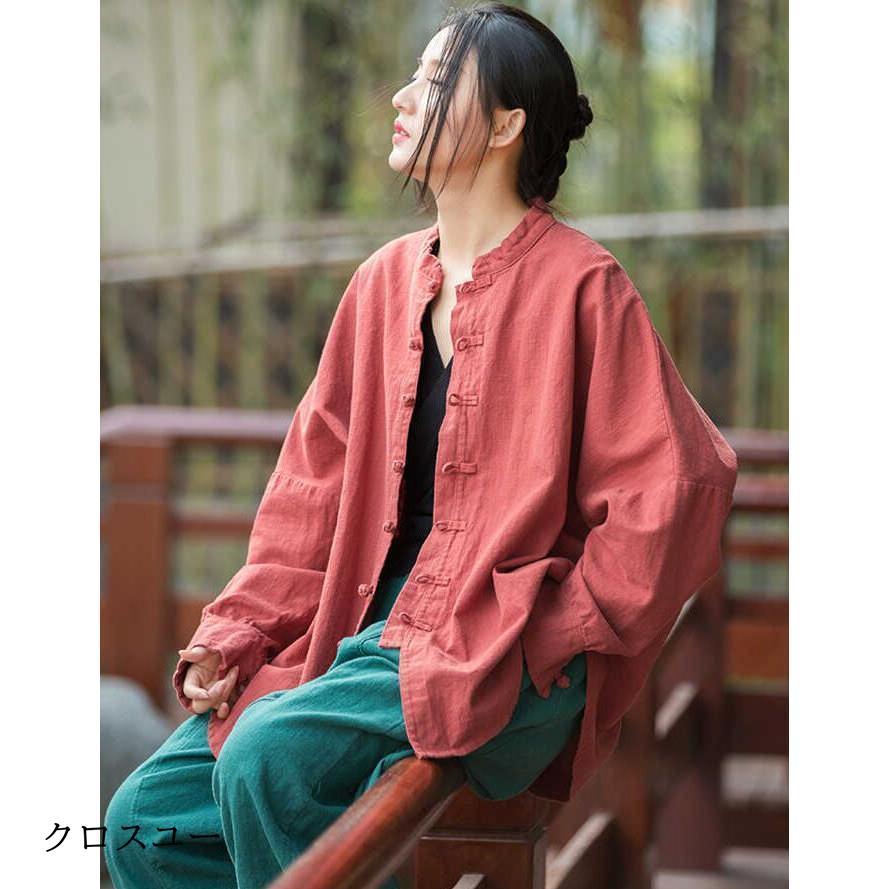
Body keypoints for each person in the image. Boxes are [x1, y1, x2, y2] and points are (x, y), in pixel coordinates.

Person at [104, 4, 738, 888]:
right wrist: (238, 631)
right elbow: (308, 497)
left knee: (266, 759)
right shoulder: (380, 284)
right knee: (144, 823)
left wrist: (553, 631)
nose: (402, 96)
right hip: (359, 630)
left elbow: (680, 485)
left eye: (436, 81)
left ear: (506, 125)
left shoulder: (583, 287)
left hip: (494, 637)